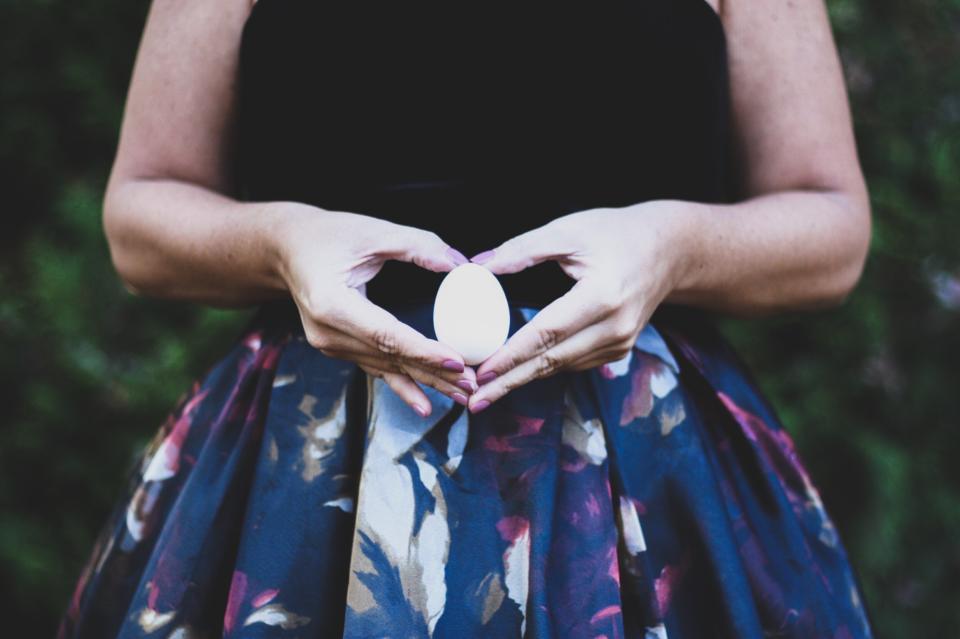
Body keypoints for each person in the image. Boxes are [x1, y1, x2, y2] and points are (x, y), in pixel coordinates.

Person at [56, 0, 877, 636]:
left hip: (643, 465)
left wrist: (672, 247)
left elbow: (830, 229)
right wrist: (281, 242)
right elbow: (142, 215)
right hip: (308, 476)